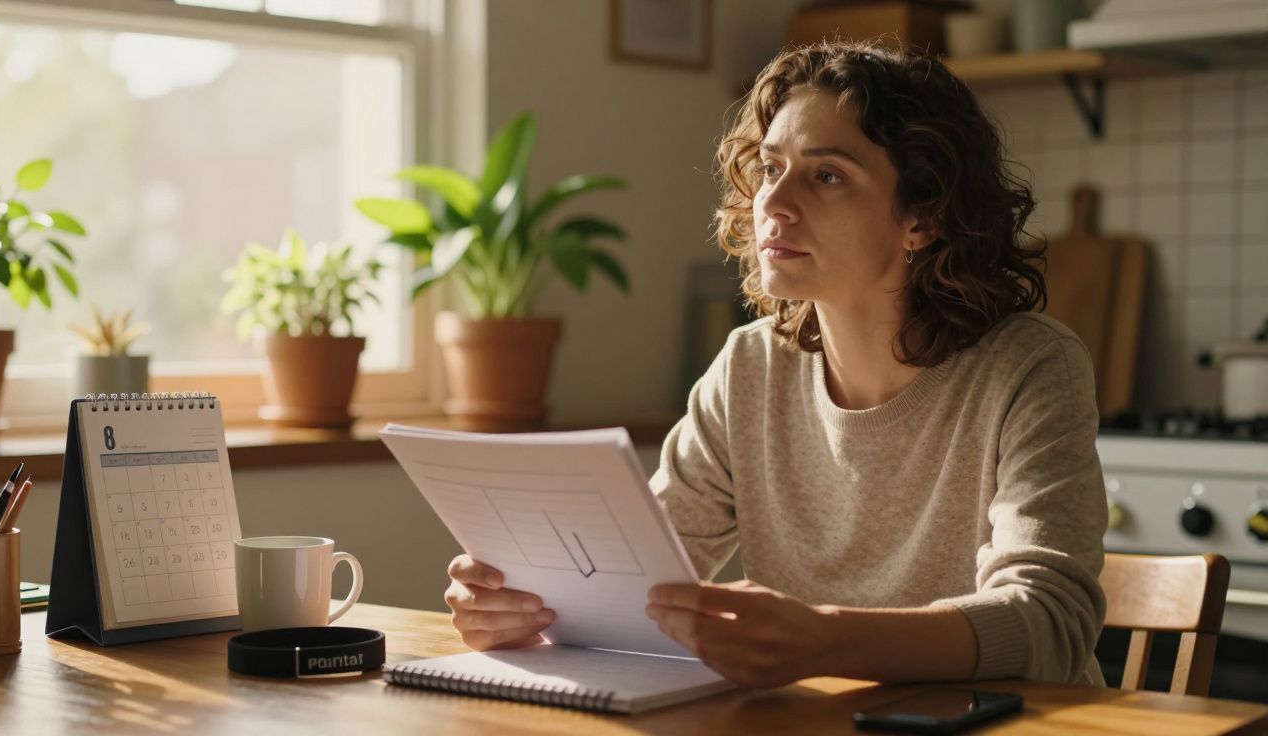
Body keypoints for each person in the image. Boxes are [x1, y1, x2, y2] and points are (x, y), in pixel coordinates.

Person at [443, 39, 1108, 689]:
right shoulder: (750, 367)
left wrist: (829, 640)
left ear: (923, 217)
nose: (774, 203)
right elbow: (633, 579)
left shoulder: (1030, 366)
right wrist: (524, 609)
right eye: (769, 168)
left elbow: (1051, 621)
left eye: (827, 175)